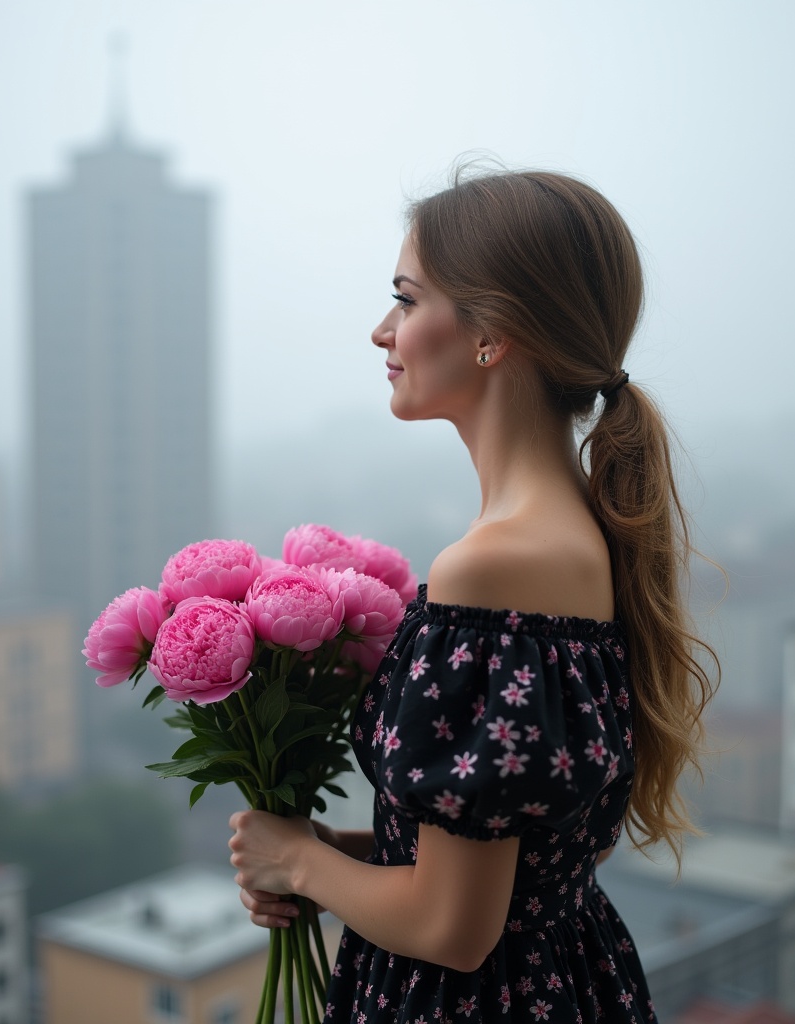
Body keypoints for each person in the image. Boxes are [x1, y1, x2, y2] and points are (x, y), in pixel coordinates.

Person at [228, 169, 717, 1023]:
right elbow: (501, 856)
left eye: (407, 301)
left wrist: (301, 865)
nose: (382, 330)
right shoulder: (578, 532)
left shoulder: (494, 568)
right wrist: (329, 856)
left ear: (492, 333)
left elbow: (456, 929)